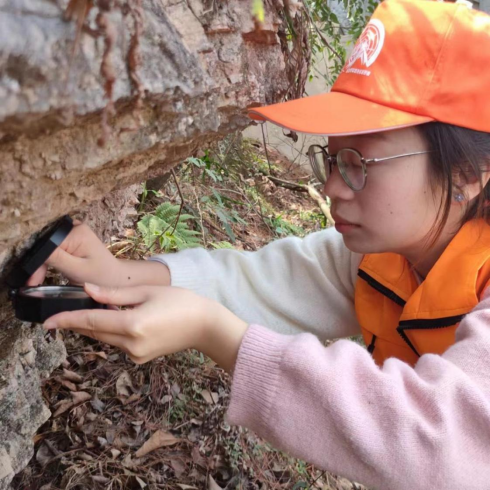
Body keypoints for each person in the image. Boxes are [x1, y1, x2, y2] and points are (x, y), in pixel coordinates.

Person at [27, 0, 490, 488]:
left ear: (466, 173)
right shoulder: (378, 257)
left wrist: (214, 331)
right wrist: (122, 275)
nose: (332, 187)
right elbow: (270, 283)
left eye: (359, 163)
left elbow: (444, 445)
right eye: (332, 159)